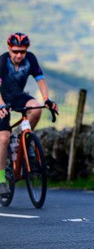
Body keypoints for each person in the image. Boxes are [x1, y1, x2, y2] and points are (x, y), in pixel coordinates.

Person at [0, 33, 58, 197]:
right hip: (1, 98)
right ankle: (1, 180)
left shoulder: (30, 59)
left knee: (36, 108)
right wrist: (2, 105)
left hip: (18, 96)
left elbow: (40, 80)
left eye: (22, 51)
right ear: (9, 50)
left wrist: (46, 99)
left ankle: (20, 139)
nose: (19, 55)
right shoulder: (2, 61)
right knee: (3, 138)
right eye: (16, 51)